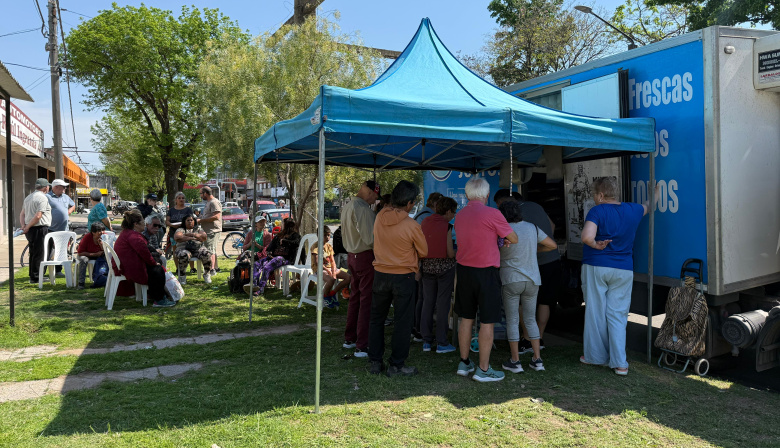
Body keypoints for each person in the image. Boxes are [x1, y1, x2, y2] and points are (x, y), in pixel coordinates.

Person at [580, 177, 652, 376]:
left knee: (595, 312)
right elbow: (648, 206)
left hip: (597, 265)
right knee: (618, 315)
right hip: (624, 269)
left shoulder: (597, 211)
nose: (594, 198)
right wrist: (653, 195)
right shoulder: (633, 209)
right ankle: (620, 363)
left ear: (601, 195)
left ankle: (595, 357)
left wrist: (596, 244)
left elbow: (587, 237)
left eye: (594, 195)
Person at [453, 177, 518, 382]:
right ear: (487, 195)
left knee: (466, 317)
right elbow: (513, 237)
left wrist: (498, 238)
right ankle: (483, 368)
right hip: (487, 272)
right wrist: (503, 238)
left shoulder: (460, 215)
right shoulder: (493, 213)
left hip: (464, 270)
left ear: (466, 195)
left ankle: (464, 362)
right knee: (487, 321)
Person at [368, 180, 428, 376]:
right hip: (403, 276)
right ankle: (396, 365)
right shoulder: (411, 225)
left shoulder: (379, 217)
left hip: (380, 274)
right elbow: (424, 251)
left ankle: (375, 362)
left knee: (377, 319)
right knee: (402, 322)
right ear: (410, 203)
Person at [494, 188, 561, 354]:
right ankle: (538, 348)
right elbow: (552, 232)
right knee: (542, 305)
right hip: (543, 268)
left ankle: (521, 349)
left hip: (516, 275)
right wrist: (534, 248)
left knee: (516, 313)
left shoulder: (505, 229)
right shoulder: (535, 214)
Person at [341, 180, 381, 358]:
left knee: (355, 298)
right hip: (364, 256)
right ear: (370, 191)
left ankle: (350, 338)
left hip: (352, 255)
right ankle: (362, 344)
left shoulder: (349, 205)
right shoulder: (363, 209)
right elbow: (371, 238)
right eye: (375, 196)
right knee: (366, 300)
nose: (375, 200)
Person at [419, 196, 458, 354]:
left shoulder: (424, 222)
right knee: (443, 304)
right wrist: (457, 253)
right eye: (453, 212)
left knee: (428, 302)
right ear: (448, 211)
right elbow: (449, 252)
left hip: (427, 267)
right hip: (444, 269)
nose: (454, 215)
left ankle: (426, 341)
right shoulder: (447, 226)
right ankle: (442, 342)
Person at [113, 209, 173, 308]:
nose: (144, 225)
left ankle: (154, 295)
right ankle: (159, 300)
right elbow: (145, 255)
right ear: (136, 224)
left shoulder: (127, 233)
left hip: (127, 265)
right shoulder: (134, 237)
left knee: (157, 266)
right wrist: (154, 263)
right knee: (157, 270)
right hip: (131, 268)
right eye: (143, 223)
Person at [247, 217, 301, 294]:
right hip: (273, 258)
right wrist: (269, 252)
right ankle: (254, 286)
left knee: (267, 267)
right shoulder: (279, 235)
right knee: (257, 264)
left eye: (282, 223)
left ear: (287, 225)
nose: (281, 225)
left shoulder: (295, 236)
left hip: (286, 258)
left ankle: (260, 288)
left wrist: (285, 242)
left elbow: (296, 244)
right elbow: (270, 247)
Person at [20, 178, 52, 284]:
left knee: (33, 252)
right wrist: (27, 226)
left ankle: (32, 275)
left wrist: (24, 226)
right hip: (39, 227)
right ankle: (36, 277)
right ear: (45, 187)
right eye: (48, 186)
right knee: (40, 253)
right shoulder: (42, 198)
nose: (48, 188)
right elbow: (38, 215)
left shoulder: (28, 197)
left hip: (30, 229)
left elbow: (22, 214)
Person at [310, 226, 351, 307]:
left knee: (348, 277)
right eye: (325, 235)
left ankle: (332, 293)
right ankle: (325, 296)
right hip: (319, 269)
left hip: (329, 268)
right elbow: (318, 262)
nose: (328, 238)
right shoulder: (315, 247)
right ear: (319, 235)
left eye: (329, 235)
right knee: (331, 279)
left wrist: (334, 270)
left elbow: (332, 261)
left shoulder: (329, 246)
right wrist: (328, 271)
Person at [46, 179, 75, 277]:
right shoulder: (47, 197)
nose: (65, 188)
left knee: (61, 250)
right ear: (55, 187)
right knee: (48, 250)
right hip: (51, 229)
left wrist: (68, 212)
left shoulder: (66, 197)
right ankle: (44, 271)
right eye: (63, 187)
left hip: (64, 229)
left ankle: (58, 270)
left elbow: (73, 205)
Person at [174, 215, 213, 285]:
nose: (190, 222)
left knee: (206, 254)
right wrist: (192, 237)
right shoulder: (181, 229)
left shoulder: (198, 229)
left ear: (194, 221)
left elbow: (204, 237)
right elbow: (177, 237)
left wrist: (192, 234)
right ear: (184, 222)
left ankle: (207, 274)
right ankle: (182, 276)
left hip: (198, 248)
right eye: (188, 220)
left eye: (191, 220)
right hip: (183, 248)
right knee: (184, 254)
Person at [199, 186, 222, 276]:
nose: (200, 195)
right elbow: (207, 215)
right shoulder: (209, 202)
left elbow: (217, 216)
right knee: (212, 250)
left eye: (201, 193)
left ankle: (211, 270)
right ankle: (215, 267)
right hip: (208, 230)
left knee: (210, 250)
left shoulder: (214, 202)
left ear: (205, 193)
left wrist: (201, 220)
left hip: (213, 230)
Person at [76, 222, 106, 289]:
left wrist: (101, 245)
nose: (102, 232)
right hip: (86, 254)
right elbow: (80, 253)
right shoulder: (87, 237)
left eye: (103, 230)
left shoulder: (105, 236)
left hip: (99, 255)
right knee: (84, 259)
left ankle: (104, 280)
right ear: (93, 232)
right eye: (99, 231)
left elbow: (109, 251)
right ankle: (81, 283)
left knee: (107, 258)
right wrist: (94, 254)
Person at [165, 192, 193, 262]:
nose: (181, 199)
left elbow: (192, 221)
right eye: (179, 198)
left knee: (189, 249)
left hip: (186, 233)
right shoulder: (171, 210)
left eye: (183, 198)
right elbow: (167, 221)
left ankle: (192, 268)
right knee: (175, 250)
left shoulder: (188, 210)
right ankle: (178, 269)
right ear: (176, 200)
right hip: (173, 233)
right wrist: (172, 225)